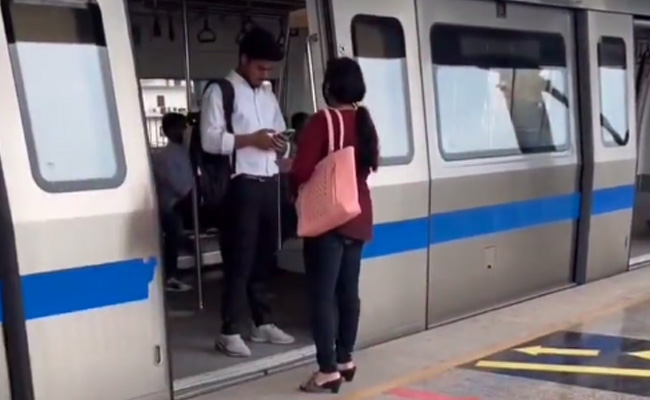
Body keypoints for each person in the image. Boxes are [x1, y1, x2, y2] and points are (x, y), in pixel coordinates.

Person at [200, 26, 295, 358]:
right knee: (239, 259)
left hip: (269, 181)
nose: (264, 74)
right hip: (239, 185)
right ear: (243, 59)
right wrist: (250, 140)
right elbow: (209, 140)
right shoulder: (221, 91)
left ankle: (262, 321)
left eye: (268, 69)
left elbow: (280, 133)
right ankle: (229, 330)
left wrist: (282, 145)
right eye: (260, 67)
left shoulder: (267, 94)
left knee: (265, 256)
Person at [290, 58, 379, 393]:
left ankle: (327, 370)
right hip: (358, 214)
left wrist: (291, 178)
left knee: (322, 296)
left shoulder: (322, 122)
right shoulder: (364, 120)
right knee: (348, 293)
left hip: (329, 220)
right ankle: (345, 359)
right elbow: (370, 165)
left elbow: (302, 171)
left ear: (328, 86)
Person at [152, 113, 195, 292]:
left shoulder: (185, 152)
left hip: (183, 202)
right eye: (180, 127)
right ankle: (171, 275)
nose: (184, 131)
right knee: (173, 227)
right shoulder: (164, 157)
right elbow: (180, 186)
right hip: (171, 205)